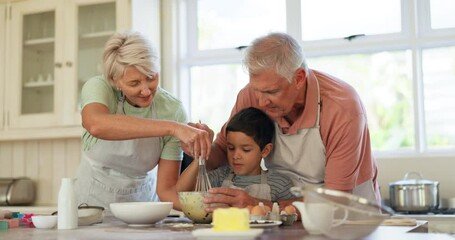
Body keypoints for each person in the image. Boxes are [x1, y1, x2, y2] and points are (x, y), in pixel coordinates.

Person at [189, 32, 381, 211]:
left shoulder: (342, 108)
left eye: (271, 92)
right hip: (282, 208)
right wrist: (199, 148)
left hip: (346, 215)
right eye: (257, 90)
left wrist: (262, 206)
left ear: (299, 78)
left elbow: (335, 199)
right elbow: (223, 150)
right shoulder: (251, 96)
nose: (261, 101)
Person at [75, 31, 211, 211]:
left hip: (143, 205)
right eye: (134, 83)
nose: (146, 91)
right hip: (91, 203)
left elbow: (167, 191)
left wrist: (205, 210)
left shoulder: (172, 109)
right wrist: (172, 128)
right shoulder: (99, 87)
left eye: (151, 77)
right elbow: (96, 124)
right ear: (115, 81)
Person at [177, 107, 294, 202]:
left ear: (265, 151)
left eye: (246, 149)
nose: (236, 156)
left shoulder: (280, 184)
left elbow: (290, 216)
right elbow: (180, 193)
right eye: (231, 148)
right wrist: (200, 158)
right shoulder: (220, 177)